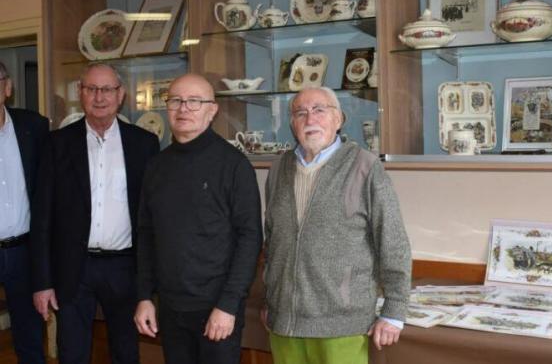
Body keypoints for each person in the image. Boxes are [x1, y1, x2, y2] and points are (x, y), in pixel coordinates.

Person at [262, 87, 412, 364]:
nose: (310, 119)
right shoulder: (278, 169)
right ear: (292, 124)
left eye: (319, 110)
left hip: (342, 325)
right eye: (300, 113)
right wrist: (270, 300)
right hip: (284, 323)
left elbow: (392, 241)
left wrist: (394, 310)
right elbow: (272, 242)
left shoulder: (365, 167)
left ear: (339, 119)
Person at [31, 63, 159, 364]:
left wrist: (150, 278)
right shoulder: (56, 144)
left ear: (121, 94)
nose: (99, 97)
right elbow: (42, 219)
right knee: (71, 351)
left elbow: (152, 218)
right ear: (80, 93)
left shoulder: (144, 144)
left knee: (126, 351)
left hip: (125, 268)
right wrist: (42, 281)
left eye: (107, 89)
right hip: (74, 267)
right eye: (91, 89)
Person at [134, 74, 262, 364]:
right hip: (168, 307)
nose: (183, 109)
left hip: (216, 307)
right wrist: (144, 297)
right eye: (176, 101)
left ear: (212, 110)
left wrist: (228, 305)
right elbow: (145, 234)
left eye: (194, 102)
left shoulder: (234, 165)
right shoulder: (156, 166)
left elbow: (250, 237)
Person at [0, 61, 48, 364]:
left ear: (7, 88)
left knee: (29, 335)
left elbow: (48, 188)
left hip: (24, 250)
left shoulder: (34, 126)